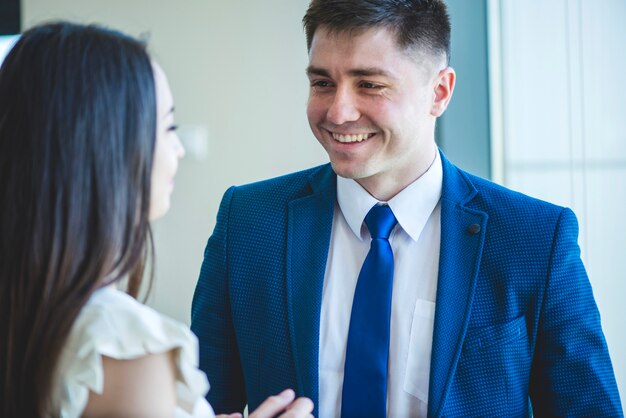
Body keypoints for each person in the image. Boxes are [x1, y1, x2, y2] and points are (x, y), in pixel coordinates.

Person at [191, 0, 624, 416]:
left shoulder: (534, 238)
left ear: (439, 92)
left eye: (370, 85)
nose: (338, 112)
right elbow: (199, 408)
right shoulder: (247, 224)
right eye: (322, 83)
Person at [0, 22, 314, 418]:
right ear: (108, 149)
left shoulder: (27, 307)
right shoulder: (124, 346)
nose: (179, 149)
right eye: (168, 127)